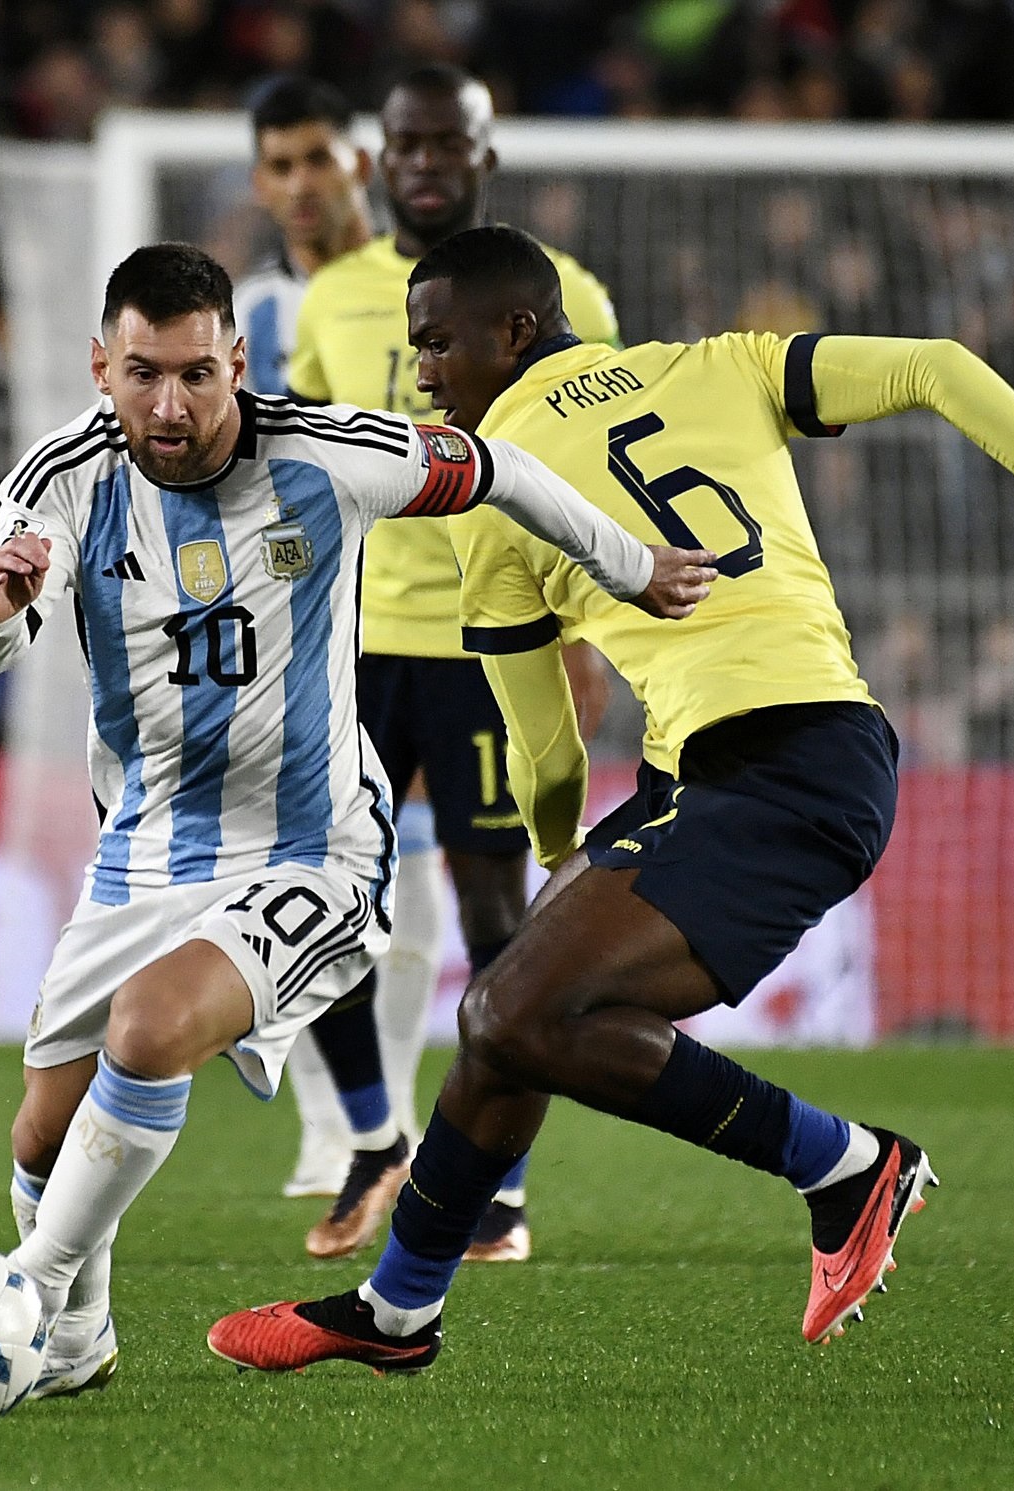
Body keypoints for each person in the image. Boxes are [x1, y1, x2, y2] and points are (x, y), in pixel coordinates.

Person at [207, 225, 1014, 1370]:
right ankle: (396, 1311)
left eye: (437, 343)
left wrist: (555, 846)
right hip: (780, 756)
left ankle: (843, 1165)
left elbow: (539, 739)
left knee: (509, 1012)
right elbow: (936, 365)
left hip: (778, 775)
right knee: (504, 1026)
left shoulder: (496, 494)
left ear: (519, 330)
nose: (423, 371)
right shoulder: (719, 364)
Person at [0, 241, 713, 1399]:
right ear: (100, 366)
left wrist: (626, 567)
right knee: (39, 1141)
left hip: (312, 843)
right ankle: (74, 1341)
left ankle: (25, 1291)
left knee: (152, 1029)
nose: (171, 405)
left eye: (197, 375)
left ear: (238, 361)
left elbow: (498, 468)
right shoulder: (59, 476)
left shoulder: (328, 453)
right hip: (144, 845)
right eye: (144, 374)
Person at [278, 62, 620, 1263]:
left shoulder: (561, 290)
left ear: (485, 153)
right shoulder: (329, 299)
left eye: (446, 144)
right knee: (307, 899)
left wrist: (578, 639)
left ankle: (499, 1190)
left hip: (490, 642)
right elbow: (303, 467)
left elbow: (587, 477)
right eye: (405, 144)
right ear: (380, 159)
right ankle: (374, 1143)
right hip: (352, 646)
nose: (424, 162)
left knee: (496, 917)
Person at [233, 75, 449, 1212]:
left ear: (357, 164)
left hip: (431, 624)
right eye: (278, 165)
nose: (300, 184)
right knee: (307, 878)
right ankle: (339, 1130)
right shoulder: (246, 322)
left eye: (317, 157)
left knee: (410, 870)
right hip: (298, 633)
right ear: (259, 180)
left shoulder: (434, 291)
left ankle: (388, 1120)